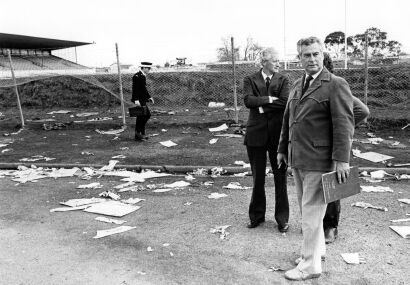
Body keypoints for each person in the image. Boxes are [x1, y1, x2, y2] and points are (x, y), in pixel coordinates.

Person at [277, 37, 355, 281]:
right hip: (298, 159)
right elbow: (288, 121)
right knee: (310, 212)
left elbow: (346, 122)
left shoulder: (335, 84)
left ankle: (310, 266)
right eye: (306, 55)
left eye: (315, 54)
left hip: (320, 161)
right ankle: (315, 253)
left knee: (310, 216)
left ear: (323, 55)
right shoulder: (297, 85)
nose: (311, 59)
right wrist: (282, 149)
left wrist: (341, 158)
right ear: (298, 58)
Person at [321, 52, 370, 244]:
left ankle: (330, 228)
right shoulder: (314, 87)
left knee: (332, 185)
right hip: (316, 147)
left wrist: (343, 128)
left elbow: (363, 111)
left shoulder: (335, 86)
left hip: (335, 145)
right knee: (318, 185)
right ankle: (318, 225)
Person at [243, 48, 290, 233]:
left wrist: (261, 106)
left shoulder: (283, 79)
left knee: (281, 179)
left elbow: (286, 102)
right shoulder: (250, 79)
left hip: (278, 136)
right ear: (264, 62)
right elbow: (248, 101)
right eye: (275, 60)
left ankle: (282, 219)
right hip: (256, 135)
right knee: (258, 178)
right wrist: (271, 99)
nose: (278, 63)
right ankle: (256, 216)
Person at [131, 62, 154, 141]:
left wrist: (149, 97)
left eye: (149, 68)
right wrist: (136, 100)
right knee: (145, 115)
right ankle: (139, 134)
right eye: (148, 68)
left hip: (142, 99)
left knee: (143, 116)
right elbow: (135, 89)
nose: (149, 70)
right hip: (139, 100)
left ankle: (140, 134)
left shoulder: (143, 76)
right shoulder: (137, 76)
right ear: (143, 68)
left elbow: (143, 89)